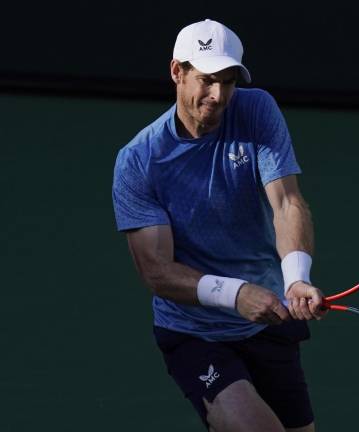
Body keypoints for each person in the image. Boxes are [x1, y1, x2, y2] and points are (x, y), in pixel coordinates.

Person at [111, 18, 326, 432]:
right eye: (207, 80)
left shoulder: (256, 109)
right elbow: (156, 271)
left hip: (270, 320)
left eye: (228, 82)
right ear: (177, 71)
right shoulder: (139, 160)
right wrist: (236, 293)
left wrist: (296, 277)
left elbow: (287, 203)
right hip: (195, 333)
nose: (218, 95)